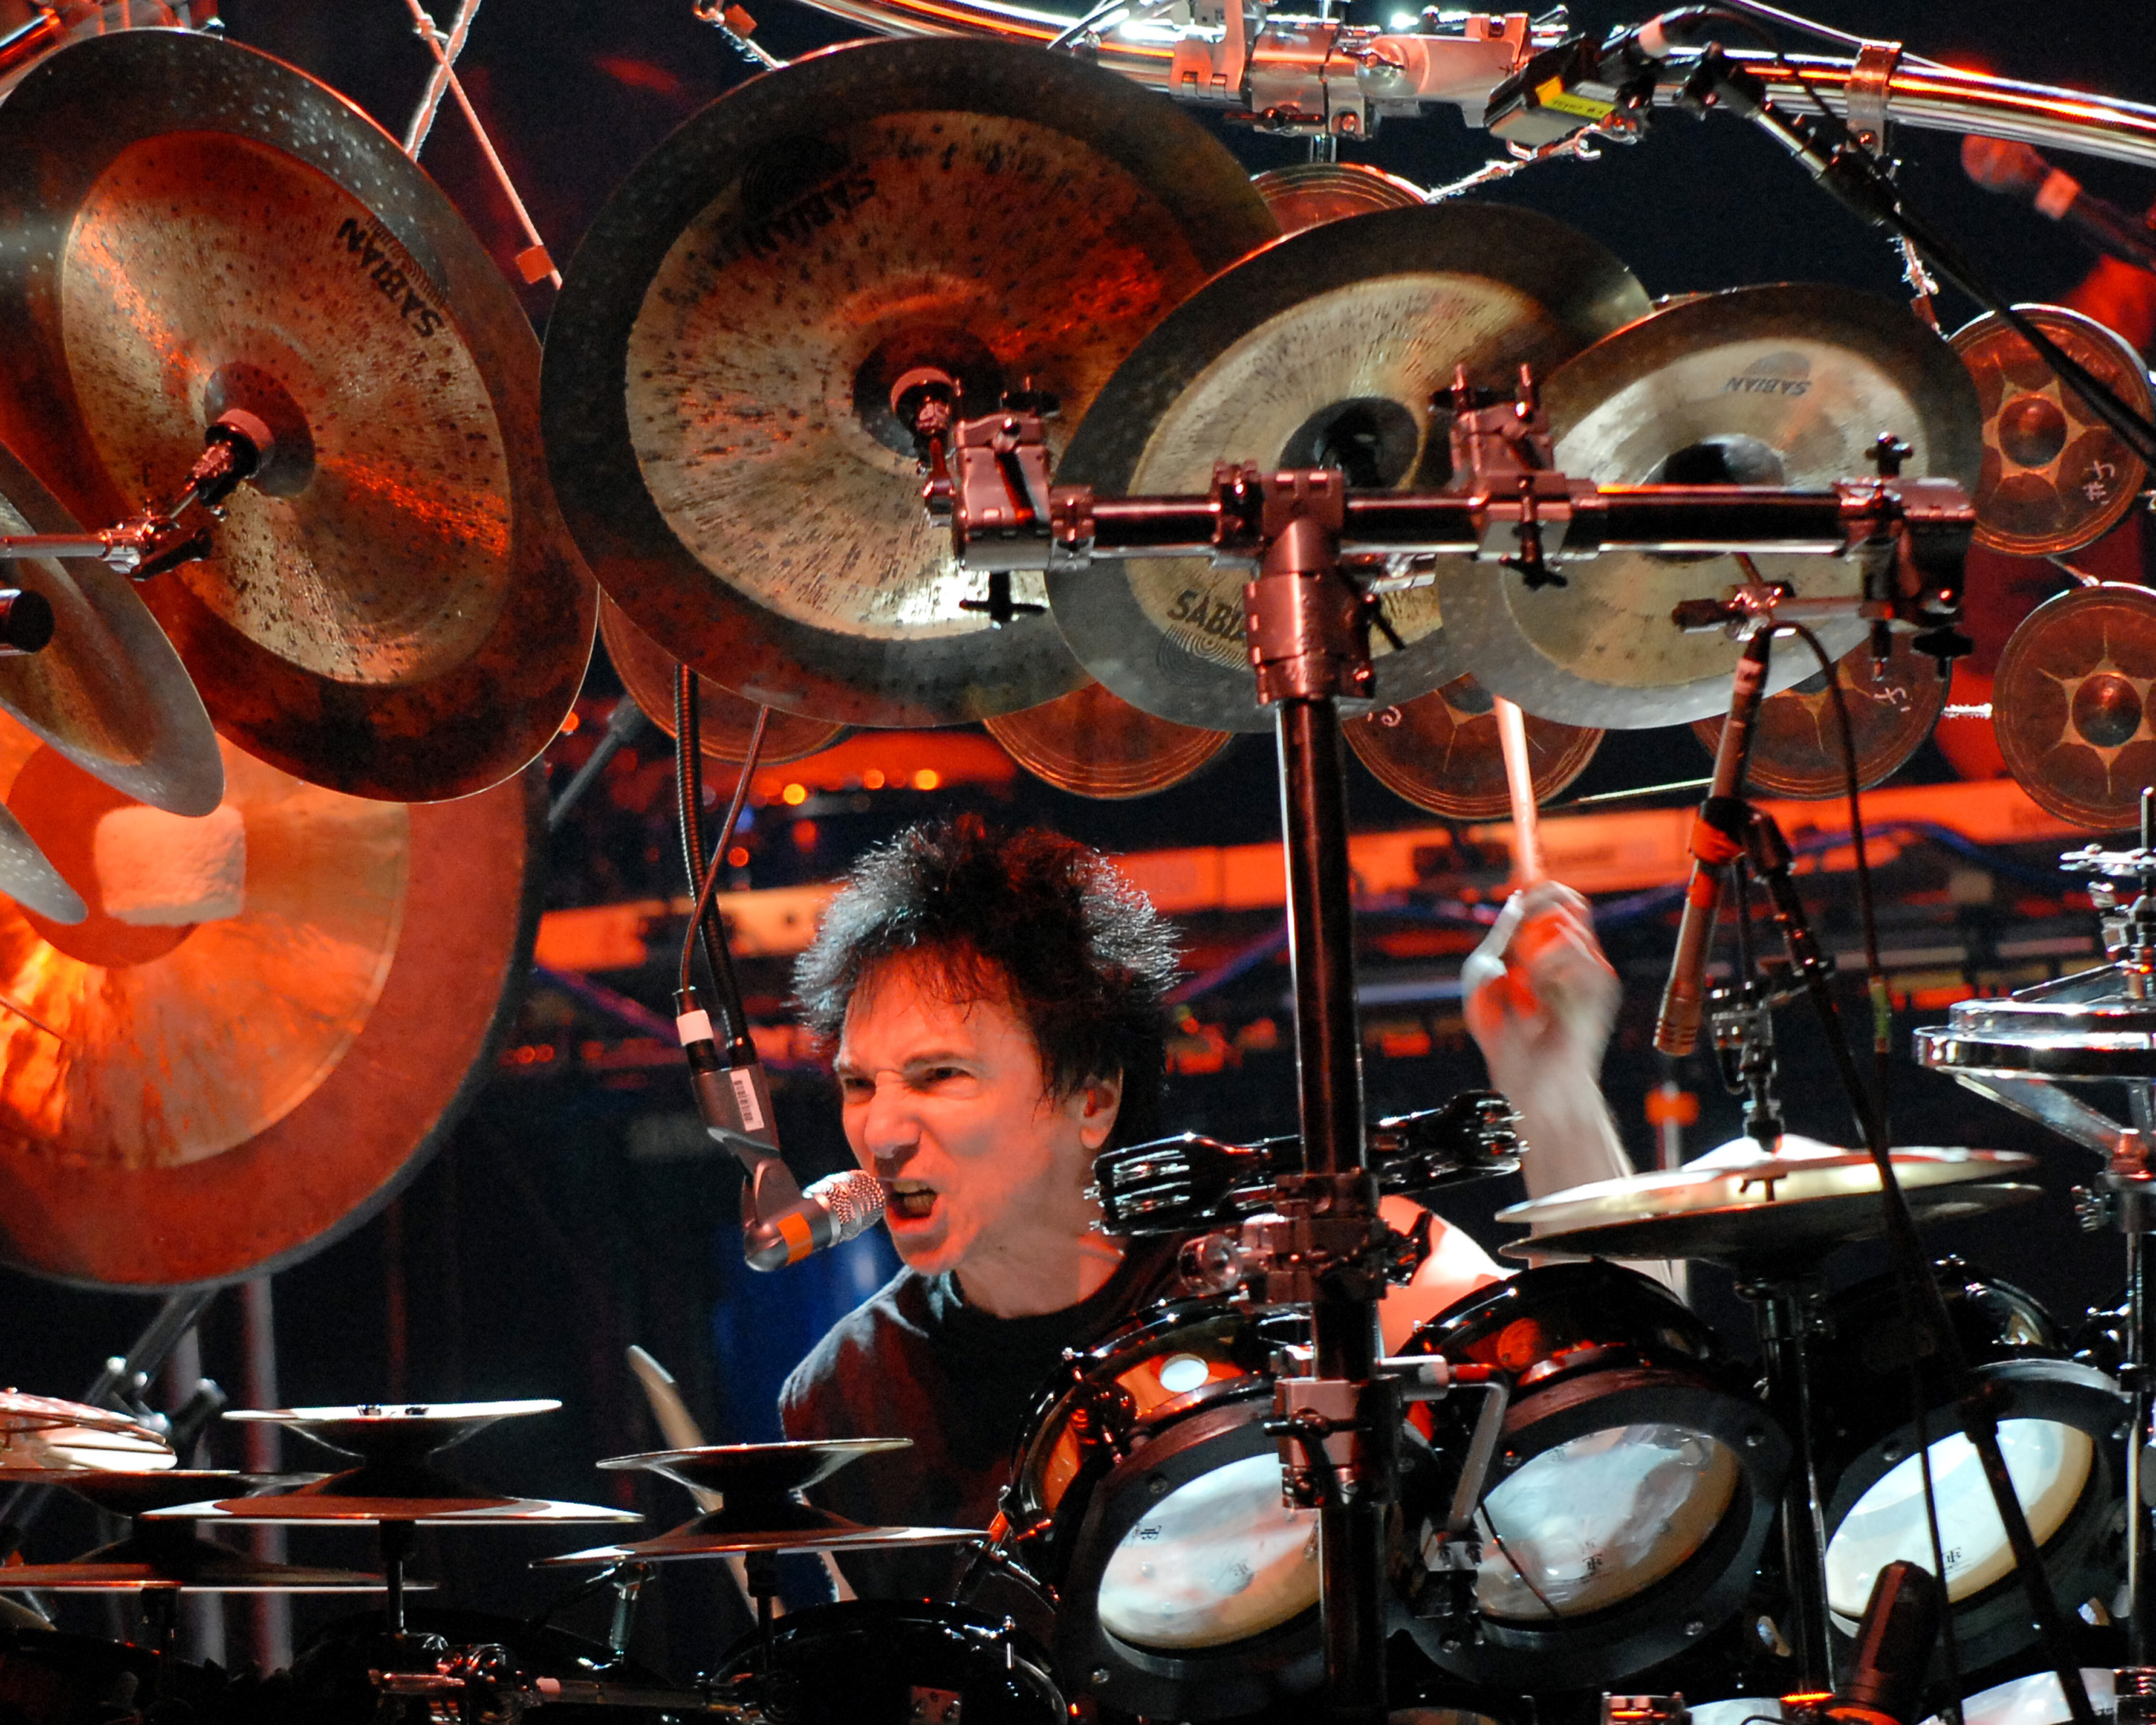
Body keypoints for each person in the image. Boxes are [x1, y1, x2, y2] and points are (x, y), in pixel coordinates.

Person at [778, 815, 1632, 1599]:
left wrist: (1554, 1089)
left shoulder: (1315, 1262)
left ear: (1091, 1100)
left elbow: (1625, 1420)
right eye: (859, 1085)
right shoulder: (842, 1395)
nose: (881, 1131)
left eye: (939, 1075)